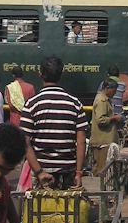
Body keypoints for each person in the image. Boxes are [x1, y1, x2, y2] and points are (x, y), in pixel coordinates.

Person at [21, 56, 88, 190]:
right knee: (68, 209)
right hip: (68, 171)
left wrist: (39, 172)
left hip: (42, 170)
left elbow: (24, 142)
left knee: (42, 209)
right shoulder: (75, 104)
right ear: (61, 74)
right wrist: (79, 173)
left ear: (40, 74)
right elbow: (81, 141)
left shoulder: (31, 104)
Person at [90, 80, 122, 175]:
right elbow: (101, 120)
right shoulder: (102, 100)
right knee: (101, 170)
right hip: (103, 142)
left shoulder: (105, 99)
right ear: (107, 88)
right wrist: (114, 118)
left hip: (105, 141)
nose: (115, 93)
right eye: (114, 90)